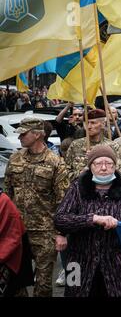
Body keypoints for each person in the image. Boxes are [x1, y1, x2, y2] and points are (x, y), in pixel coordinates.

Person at [54, 146, 121, 297]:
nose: (104, 168)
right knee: (74, 293)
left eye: (109, 163)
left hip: (115, 264)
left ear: (115, 166)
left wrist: (120, 225)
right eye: (98, 163)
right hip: (77, 261)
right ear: (90, 166)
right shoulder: (77, 187)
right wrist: (92, 219)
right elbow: (60, 219)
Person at [4, 118, 70, 297]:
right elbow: (7, 194)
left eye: (24, 133)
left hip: (45, 231)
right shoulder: (15, 158)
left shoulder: (55, 163)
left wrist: (60, 233)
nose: (20, 137)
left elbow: (62, 201)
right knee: (15, 280)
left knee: (43, 283)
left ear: (38, 134)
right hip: (17, 231)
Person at [65, 109, 113, 182]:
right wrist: (81, 174)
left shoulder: (111, 146)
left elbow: (116, 172)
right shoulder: (76, 145)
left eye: (93, 123)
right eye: (87, 123)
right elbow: (65, 171)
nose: (89, 126)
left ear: (103, 124)